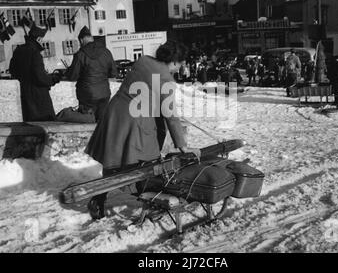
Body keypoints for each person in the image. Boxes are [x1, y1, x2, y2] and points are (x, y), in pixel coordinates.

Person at [85, 40, 200, 220]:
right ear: (175, 61)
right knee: (146, 161)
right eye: (182, 63)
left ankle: (98, 199)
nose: (181, 68)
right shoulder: (166, 79)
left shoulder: (144, 61)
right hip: (134, 120)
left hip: (115, 113)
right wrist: (182, 145)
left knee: (114, 161)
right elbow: (170, 115)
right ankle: (152, 199)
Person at [9, 25, 61, 121]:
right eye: (41, 39)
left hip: (25, 93)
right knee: (44, 125)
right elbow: (40, 78)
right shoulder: (35, 53)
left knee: (30, 127)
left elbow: (13, 71)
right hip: (39, 97)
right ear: (37, 39)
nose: (42, 42)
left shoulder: (18, 50)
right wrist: (54, 78)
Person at [65, 26, 117, 122]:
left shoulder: (80, 55)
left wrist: (69, 70)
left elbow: (72, 76)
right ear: (92, 38)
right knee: (102, 123)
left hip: (86, 95)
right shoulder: (106, 52)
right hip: (104, 93)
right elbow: (114, 73)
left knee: (88, 122)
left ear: (81, 40)